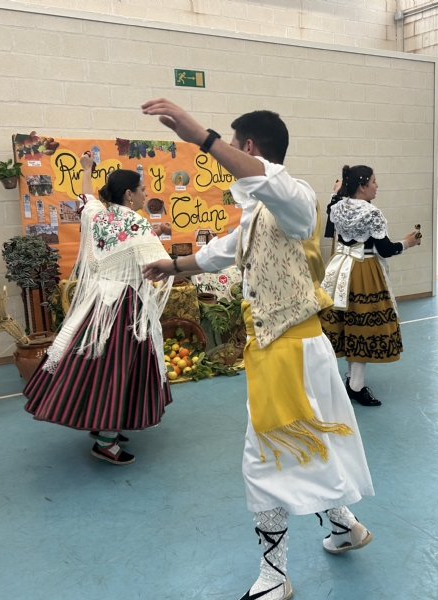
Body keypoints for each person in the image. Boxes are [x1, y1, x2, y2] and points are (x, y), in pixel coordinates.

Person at [140, 100, 374, 600]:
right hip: (284, 351)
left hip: (292, 352)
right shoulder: (258, 214)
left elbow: (266, 183)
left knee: (263, 462)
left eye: (230, 143)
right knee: (308, 449)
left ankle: (275, 575)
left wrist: (201, 137)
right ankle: (344, 525)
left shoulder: (294, 195)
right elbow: (223, 249)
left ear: (247, 147)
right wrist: (174, 266)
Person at [23, 152, 173, 465]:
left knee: (94, 364)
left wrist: (86, 168)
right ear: (130, 195)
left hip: (98, 304)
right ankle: (106, 441)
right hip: (125, 307)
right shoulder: (136, 225)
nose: (147, 194)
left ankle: (101, 425)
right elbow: (160, 265)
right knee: (118, 370)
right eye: (142, 189)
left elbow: (87, 196)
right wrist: (195, 264)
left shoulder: (99, 217)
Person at [319, 165, 421, 406]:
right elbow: (385, 249)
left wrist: (337, 194)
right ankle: (355, 385)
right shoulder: (372, 213)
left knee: (343, 323)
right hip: (363, 271)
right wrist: (407, 243)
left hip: (339, 269)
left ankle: (346, 383)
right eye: (374, 181)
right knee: (363, 326)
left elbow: (330, 225)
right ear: (362, 186)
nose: (377, 186)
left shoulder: (338, 206)